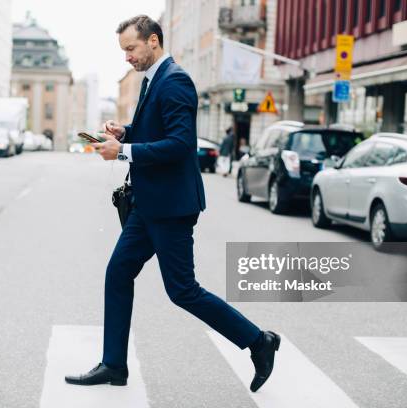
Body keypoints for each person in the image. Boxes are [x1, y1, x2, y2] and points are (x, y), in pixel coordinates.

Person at [64, 15, 280, 393]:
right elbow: (158, 132)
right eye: (124, 51)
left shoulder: (175, 80)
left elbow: (181, 145)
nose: (127, 57)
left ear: (153, 41)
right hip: (148, 205)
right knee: (118, 273)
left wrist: (122, 152)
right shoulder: (153, 81)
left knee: (182, 290)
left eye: (131, 49)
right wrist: (125, 133)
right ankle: (114, 364)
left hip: (170, 206)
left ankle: (259, 341)